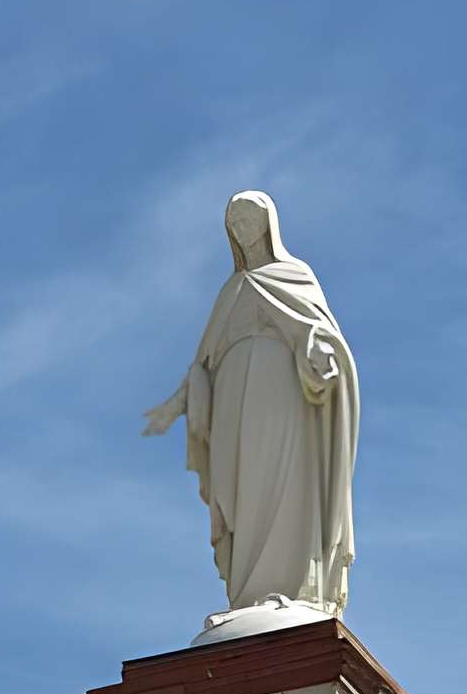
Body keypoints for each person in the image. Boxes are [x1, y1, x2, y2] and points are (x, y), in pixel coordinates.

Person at [143, 190, 358, 619]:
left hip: (282, 396)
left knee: (284, 480)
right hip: (233, 405)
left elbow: (323, 337)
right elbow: (203, 364)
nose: (243, 229)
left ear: (268, 225)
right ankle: (248, 595)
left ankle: (293, 587)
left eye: (249, 219)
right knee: (245, 488)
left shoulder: (295, 275)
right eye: (235, 222)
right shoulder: (231, 292)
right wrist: (175, 405)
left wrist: (319, 352)